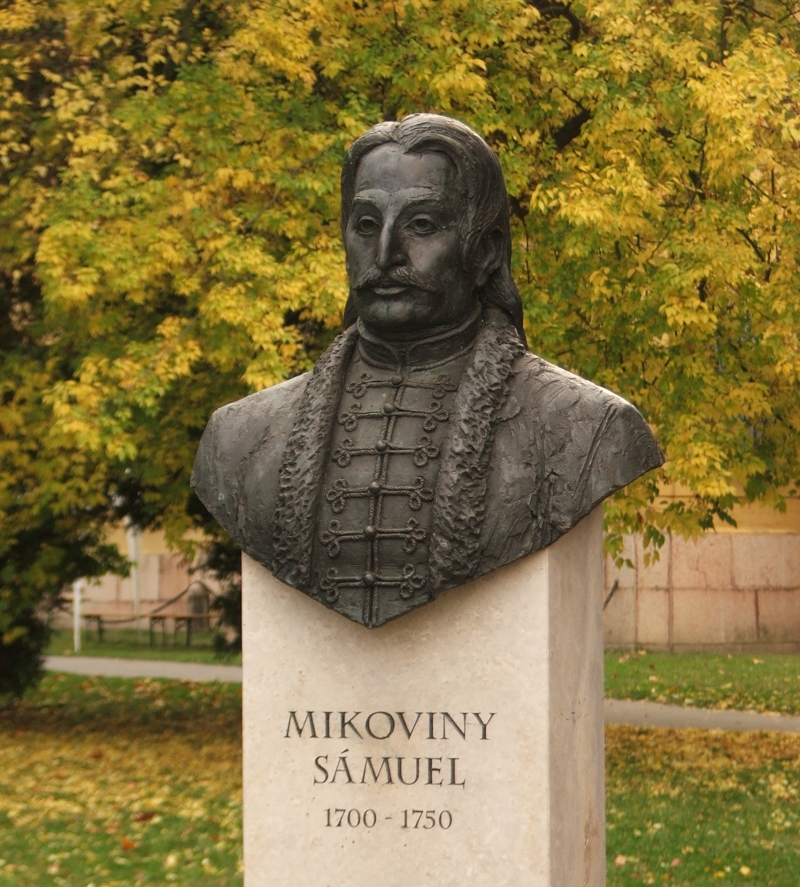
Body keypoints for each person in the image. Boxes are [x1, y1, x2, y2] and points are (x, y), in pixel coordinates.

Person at [192, 114, 663, 628]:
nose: (387, 253)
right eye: (366, 225)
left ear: (484, 250)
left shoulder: (583, 427)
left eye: (422, 225)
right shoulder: (239, 438)